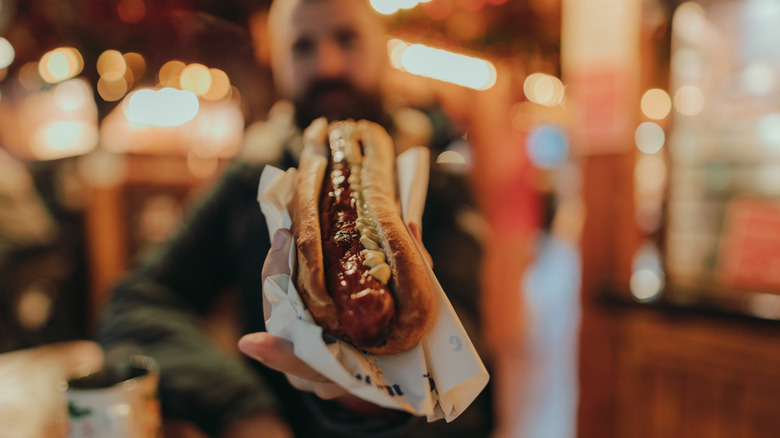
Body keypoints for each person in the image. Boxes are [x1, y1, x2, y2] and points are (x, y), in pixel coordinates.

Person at [98, 0, 491, 436]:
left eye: (347, 39)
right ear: (277, 61)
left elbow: (466, 384)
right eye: (302, 47)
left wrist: (371, 405)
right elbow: (133, 303)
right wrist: (243, 408)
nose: (327, 64)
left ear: (382, 49)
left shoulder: (442, 184)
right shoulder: (248, 180)